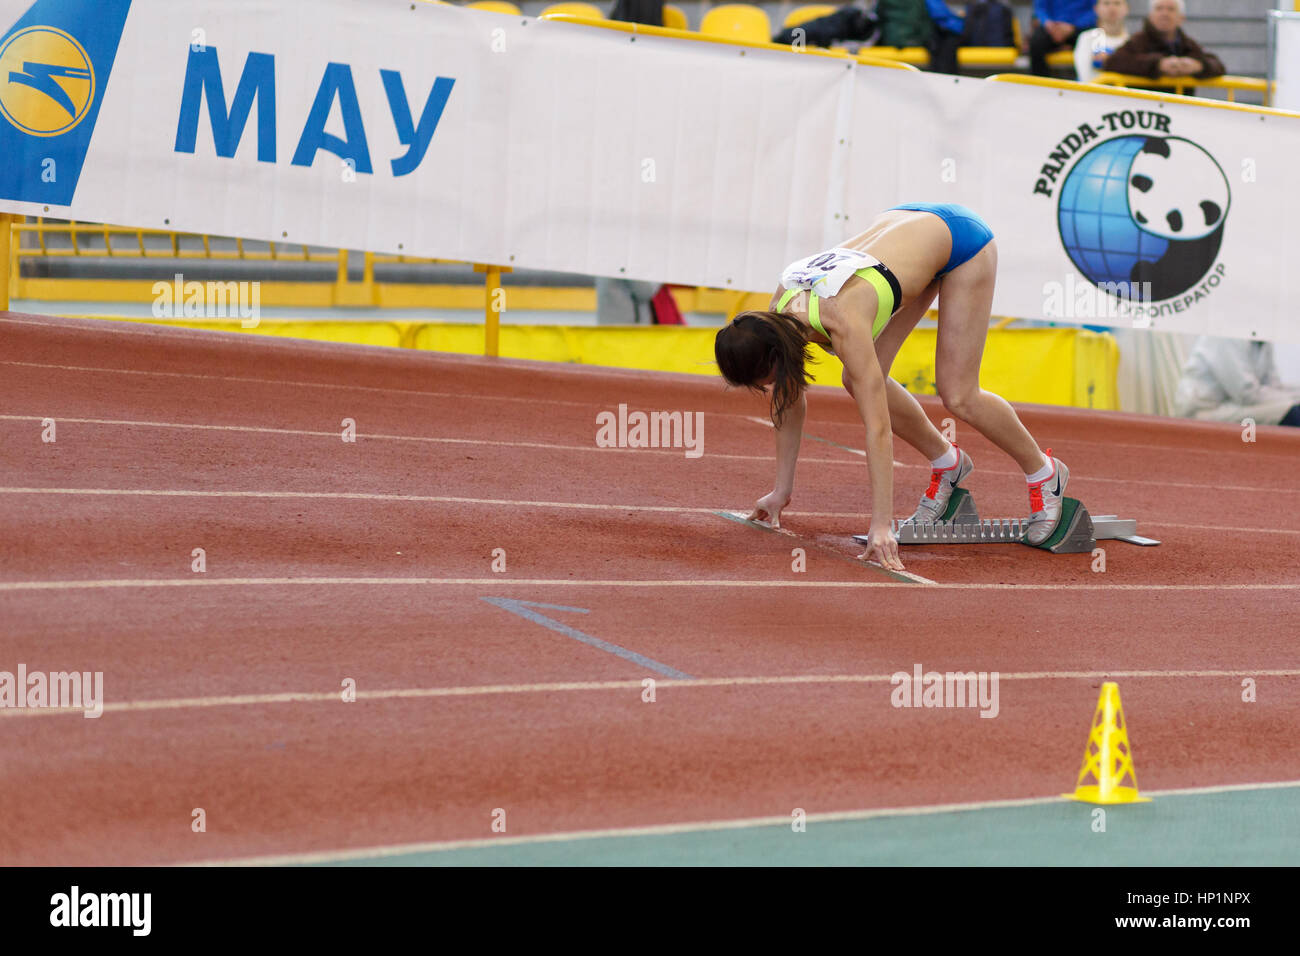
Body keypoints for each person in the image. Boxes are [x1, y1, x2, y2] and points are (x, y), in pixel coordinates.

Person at [714, 204, 1070, 570]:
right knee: (856, 378)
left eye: (767, 381)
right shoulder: (777, 312)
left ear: (775, 358)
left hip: (961, 242)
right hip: (905, 232)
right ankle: (949, 463)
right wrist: (780, 492)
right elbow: (789, 401)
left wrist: (881, 526)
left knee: (959, 394)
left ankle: (1045, 473)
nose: (773, 388)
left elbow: (878, 428)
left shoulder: (844, 323)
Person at [1174, 337, 1300, 427]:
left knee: (1291, 409)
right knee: (1293, 413)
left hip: (1233, 405)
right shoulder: (1226, 336)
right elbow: (1246, 394)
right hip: (1204, 411)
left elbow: (1274, 385)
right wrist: (1294, 399)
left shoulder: (1263, 339)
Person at [1104, 0, 1225, 81]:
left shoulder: (1187, 44)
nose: (1164, 14)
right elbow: (1113, 62)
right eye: (1159, 8)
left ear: (1181, 18)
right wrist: (1157, 64)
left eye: (1171, 9)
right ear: (1151, 15)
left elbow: (1217, 65)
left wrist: (1198, 66)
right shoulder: (1138, 41)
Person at [1029, 0, 1097, 76]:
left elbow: (1095, 9)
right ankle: (1041, 82)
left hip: (1080, 28)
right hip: (1052, 28)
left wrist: (1074, 26)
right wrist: (1048, 24)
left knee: (1089, 41)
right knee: (1036, 43)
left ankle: (1087, 79)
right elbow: (1040, 8)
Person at [1073, 0, 1130, 82]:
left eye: (1117, 3)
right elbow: (1084, 75)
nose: (1112, 8)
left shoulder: (1133, 41)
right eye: (1106, 3)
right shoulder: (1087, 38)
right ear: (1096, 9)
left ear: (1127, 9)